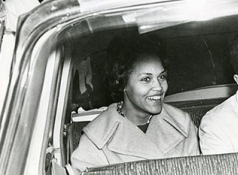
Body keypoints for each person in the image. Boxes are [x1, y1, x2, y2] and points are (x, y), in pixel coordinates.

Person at [71, 33, 200, 174]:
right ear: (122, 83)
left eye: (162, 77)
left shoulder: (182, 124)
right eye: (146, 79)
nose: (159, 87)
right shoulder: (96, 140)